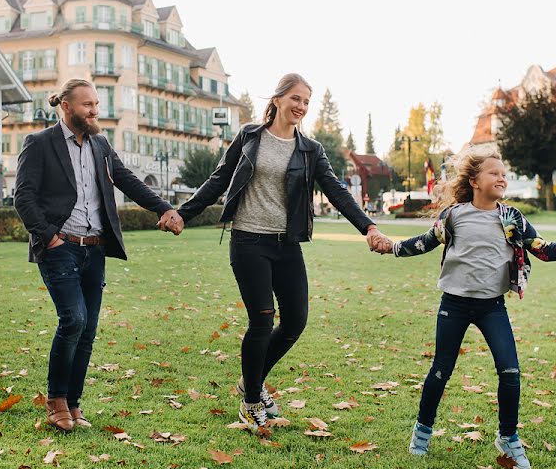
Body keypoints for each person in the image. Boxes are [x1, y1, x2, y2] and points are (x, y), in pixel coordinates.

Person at [161, 73, 393, 432]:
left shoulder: (310, 149)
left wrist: (369, 226)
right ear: (278, 99)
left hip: (287, 244)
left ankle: (250, 384)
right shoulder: (250, 136)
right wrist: (184, 213)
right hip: (249, 240)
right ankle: (252, 400)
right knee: (262, 320)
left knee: (296, 320)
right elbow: (219, 179)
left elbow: (337, 191)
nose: (300, 106)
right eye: (295, 98)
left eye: (306, 101)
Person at [385, 149, 556, 469]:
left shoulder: (511, 217)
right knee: (441, 371)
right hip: (454, 305)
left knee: (510, 372)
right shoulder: (454, 216)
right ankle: (422, 432)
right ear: (474, 181)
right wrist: (391, 247)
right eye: (493, 173)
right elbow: (426, 242)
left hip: (492, 307)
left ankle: (508, 437)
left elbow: (542, 250)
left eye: (503, 173)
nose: (502, 178)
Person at [14, 79, 182, 432]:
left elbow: (128, 181)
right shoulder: (40, 143)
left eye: (96, 104)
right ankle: (55, 400)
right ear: (67, 106)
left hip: (95, 248)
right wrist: (51, 238)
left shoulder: (101, 145)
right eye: (87, 104)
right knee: (73, 320)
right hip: (60, 248)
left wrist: (164, 208)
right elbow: (23, 198)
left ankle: (73, 404)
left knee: (88, 329)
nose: (94, 111)